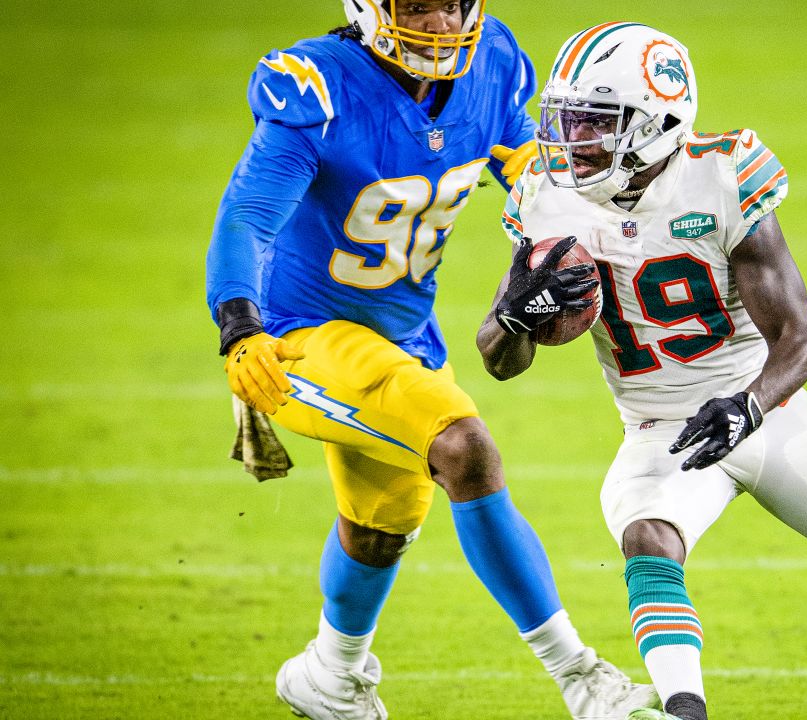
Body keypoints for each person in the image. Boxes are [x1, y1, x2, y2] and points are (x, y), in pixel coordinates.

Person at [476, 23, 807, 720]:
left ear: (657, 123)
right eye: (566, 119)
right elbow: (500, 361)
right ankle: (684, 708)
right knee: (648, 535)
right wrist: (515, 318)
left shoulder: (722, 174)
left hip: (767, 407)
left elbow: (803, 338)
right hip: (658, 426)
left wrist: (747, 407)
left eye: (594, 122)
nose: (571, 140)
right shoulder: (547, 198)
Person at [204, 2, 659, 718]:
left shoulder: (495, 63)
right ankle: (581, 678)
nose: (442, 24)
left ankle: (330, 674)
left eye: (453, 3)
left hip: (405, 338)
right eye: (418, 5)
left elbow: (528, 170)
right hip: (299, 335)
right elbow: (249, 215)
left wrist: (578, 232)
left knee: (381, 525)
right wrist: (239, 323)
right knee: (463, 446)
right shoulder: (318, 87)